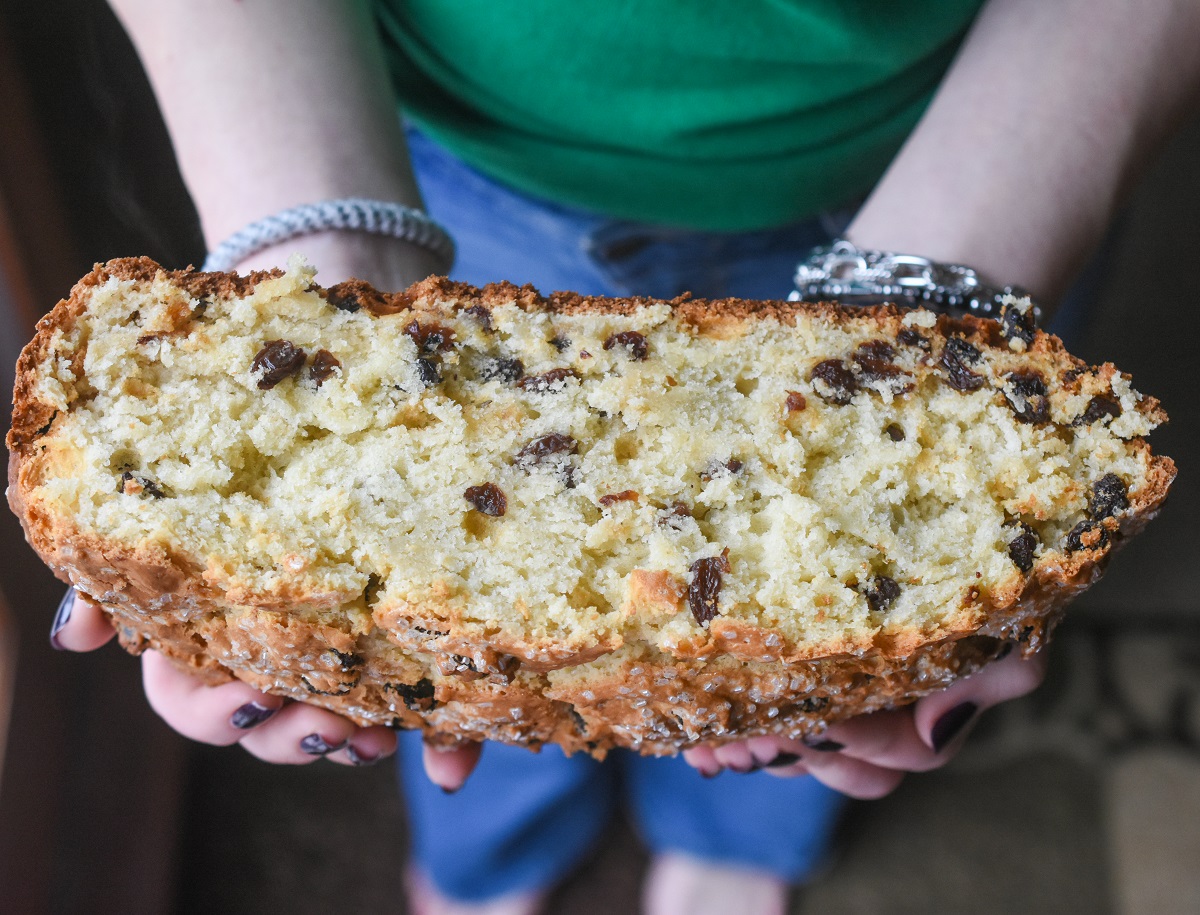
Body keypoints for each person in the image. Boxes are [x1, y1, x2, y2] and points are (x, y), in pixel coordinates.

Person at [50, 1, 1200, 913]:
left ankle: (733, 843)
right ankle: (493, 859)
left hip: (976, 160)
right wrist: (315, 243)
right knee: (455, 661)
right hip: (418, 146)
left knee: (819, 694)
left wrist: (948, 287)